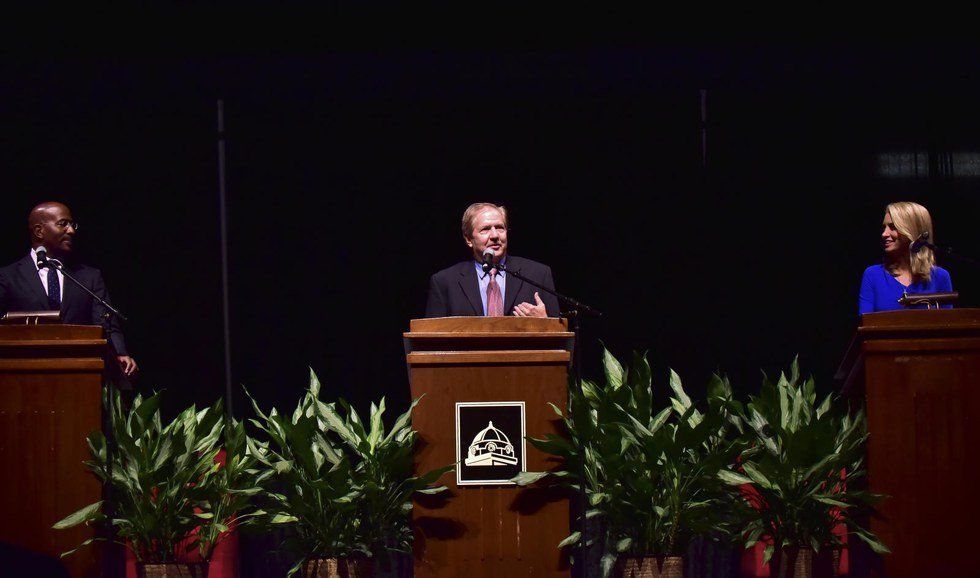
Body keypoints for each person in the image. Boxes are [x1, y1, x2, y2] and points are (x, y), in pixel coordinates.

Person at [0, 202, 138, 376]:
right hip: (23, 374)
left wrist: (120, 353)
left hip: (79, 373)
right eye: (63, 224)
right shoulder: (7, 276)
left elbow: (104, 321)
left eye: (72, 225)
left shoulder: (89, 277)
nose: (71, 231)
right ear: (39, 231)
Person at [426, 202, 560, 318]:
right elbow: (431, 338)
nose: (495, 235)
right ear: (468, 239)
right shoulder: (444, 281)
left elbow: (561, 336)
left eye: (500, 228)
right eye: (485, 229)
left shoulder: (538, 274)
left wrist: (546, 321)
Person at [858, 201, 953, 315]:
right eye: (884, 227)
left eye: (893, 227)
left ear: (912, 231)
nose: (884, 234)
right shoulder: (873, 275)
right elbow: (866, 326)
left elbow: (948, 326)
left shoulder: (940, 277)